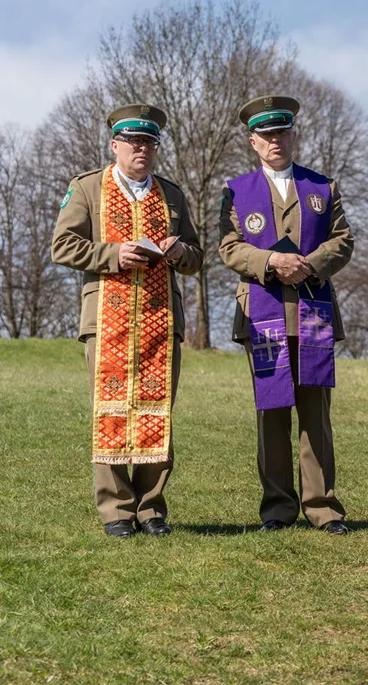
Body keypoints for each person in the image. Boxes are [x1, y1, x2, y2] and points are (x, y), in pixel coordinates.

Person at [51, 103, 203, 538]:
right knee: (112, 411)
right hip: (106, 317)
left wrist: (179, 252)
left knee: (158, 412)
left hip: (160, 316)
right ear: (115, 144)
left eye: (149, 143)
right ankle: (117, 510)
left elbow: (195, 257)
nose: (142, 149)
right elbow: (63, 246)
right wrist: (113, 254)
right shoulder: (87, 189)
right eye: (134, 142)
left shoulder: (172, 194)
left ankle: (151, 509)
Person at [217, 95, 355, 535]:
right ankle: (278, 508)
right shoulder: (236, 190)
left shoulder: (322, 186)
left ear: (294, 135)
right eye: (267, 135)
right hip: (261, 313)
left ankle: (323, 508)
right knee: (272, 412)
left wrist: (309, 264)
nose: (276, 140)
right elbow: (229, 247)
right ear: (254, 142)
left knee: (316, 415)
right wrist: (272, 263)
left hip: (313, 311)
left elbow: (343, 240)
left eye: (283, 132)